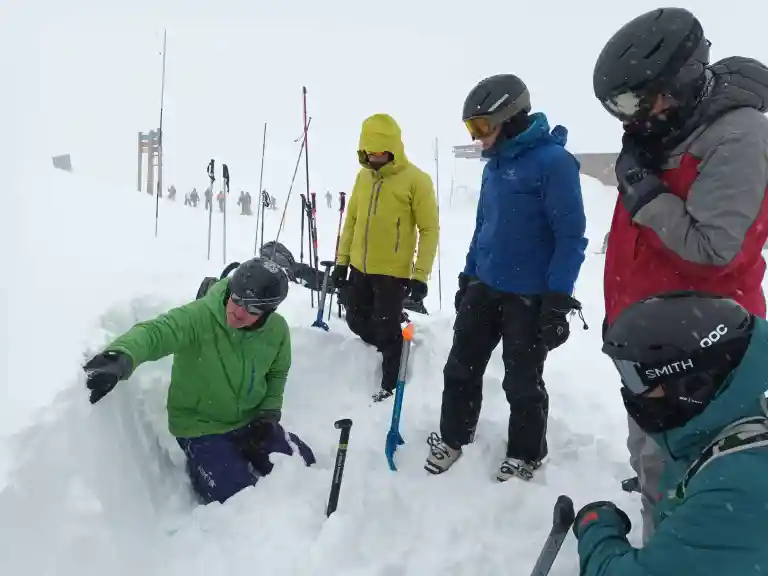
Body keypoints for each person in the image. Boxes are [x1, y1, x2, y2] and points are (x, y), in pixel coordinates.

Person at [593, 7, 768, 541]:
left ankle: (670, 555)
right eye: (616, 107)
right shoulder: (670, 127)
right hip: (653, 346)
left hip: (703, 355)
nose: (627, 119)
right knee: (651, 463)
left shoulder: (738, 138)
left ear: (681, 81)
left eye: (633, 102)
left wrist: (646, 194)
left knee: (681, 483)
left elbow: (714, 249)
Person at [425, 74, 587, 481]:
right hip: (485, 286)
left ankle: (526, 454)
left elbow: (571, 237)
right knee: (460, 368)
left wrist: (558, 299)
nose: (478, 137)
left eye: (482, 127)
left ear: (511, 117)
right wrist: (467, 275)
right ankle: (453, 437)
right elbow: (484, 225)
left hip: (528, 297)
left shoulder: (554, 163)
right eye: (472, 129)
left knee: (522, 382)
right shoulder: (494, 166)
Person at [83, 258, 315, 504]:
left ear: (268, 312)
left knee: (304, 464)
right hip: (201, 428)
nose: (238, 312)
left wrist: (268, 415)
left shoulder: (277, 330)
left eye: (251, 310)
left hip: (250, 422)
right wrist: (121, 356)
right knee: (237, 496)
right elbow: (157, 332)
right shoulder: (200, 316)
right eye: (236, 301)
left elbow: (277, 373)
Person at [575, 291, 768, 575]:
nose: (629, 392)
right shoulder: (728, 421)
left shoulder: (736, 488)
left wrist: (597, 530)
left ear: (692, 386)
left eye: (636, 378)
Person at [331, 113, 439, 402]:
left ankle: (390, 381)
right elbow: (351, 221)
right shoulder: (362, 179)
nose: (373, 158)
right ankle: (385, 344)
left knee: (385, 325)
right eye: (368, 152)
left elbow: (429, 230)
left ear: (393, 148)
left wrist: (420, 274)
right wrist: (341, 263)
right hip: (359, 267)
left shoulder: (417, 180)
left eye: (379, 152)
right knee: (354, 318)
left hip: (393, 272)